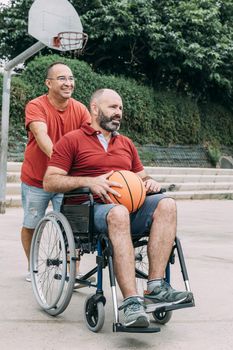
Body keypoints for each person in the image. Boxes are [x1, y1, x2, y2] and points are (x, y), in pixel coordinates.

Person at [43, 88, 193, 328]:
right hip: (89, 212)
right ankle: (131, 302)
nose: (118, 113)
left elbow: (141, 178)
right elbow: (50, 181)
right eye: (113, 107)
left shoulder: (126, 143)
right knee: (118, 212)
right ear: (94, 108)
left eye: (120, 108)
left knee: (166, 204)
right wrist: (89, 182)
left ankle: (155, 287)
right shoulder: (72, 140)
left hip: (127, 208)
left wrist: (149, 183)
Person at [20, 61, 91, 283]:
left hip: (66, 181)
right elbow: (42, 137)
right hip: (36, 179)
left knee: (73, 227)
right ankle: (33, 266)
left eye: (70, 78)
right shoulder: (36, 106)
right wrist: (62, 163)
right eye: (61, 78)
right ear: (48, 83)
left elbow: (90, 138)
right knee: (32, 224)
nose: (68, 83)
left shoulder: (80, 109)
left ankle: (73, 270)